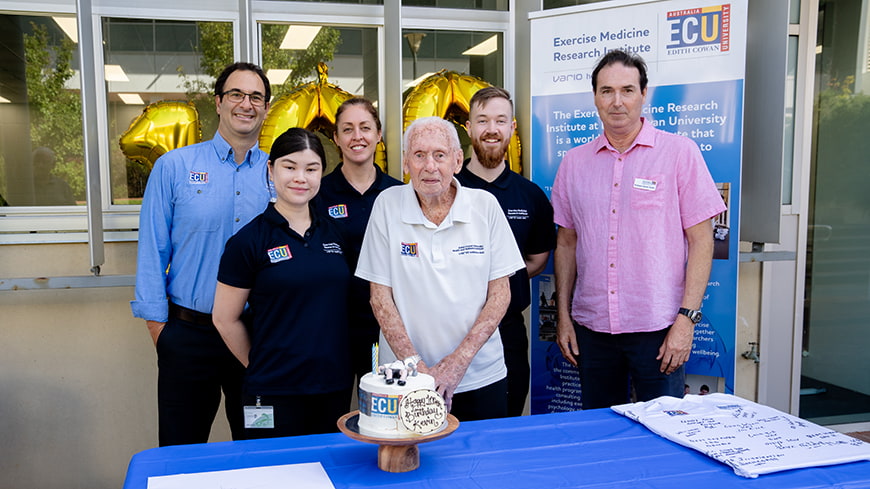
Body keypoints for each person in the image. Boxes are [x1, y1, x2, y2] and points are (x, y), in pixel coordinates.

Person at [552, 49, 726, 409]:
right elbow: (566, 244)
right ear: (595, 97)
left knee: (665, 436)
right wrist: (564, 319)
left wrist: (686, 322)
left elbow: (701, 241)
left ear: (644, 94)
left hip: (660, 329)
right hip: (592, 329)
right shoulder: (574, 163)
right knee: (600, 434)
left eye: (627, 90)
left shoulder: (679, 153)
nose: (617, 102)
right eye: (607, 91)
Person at [131, 62, 272, 446]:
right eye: (236, 95)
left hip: (256, 338)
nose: (246, 104)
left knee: (259, 446)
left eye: (256, 96)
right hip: (189, 337)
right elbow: (153, 249)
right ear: (219, 103)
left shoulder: (277, 174)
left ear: (266, 107)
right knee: (181, 449)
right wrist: (161, 331)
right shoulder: (174, 167)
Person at [356, 116, 525, 421]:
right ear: (406, 162)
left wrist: (456, 363)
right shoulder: (387, 205)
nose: (429, 166)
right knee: (408, 466)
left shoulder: (485, 206)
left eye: (440, 155)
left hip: (479, 376)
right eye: (419, 155)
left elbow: (500, 295)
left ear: (457, 161)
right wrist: (418, 370)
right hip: (403, 380)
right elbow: (379, 299)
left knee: (481, 465)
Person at [213, 128, 352, 439]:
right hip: (273, 391)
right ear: (271, 170)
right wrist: (261, 364)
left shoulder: (335, 234)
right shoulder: (248, 241)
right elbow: (224, 318)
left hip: (333, 387)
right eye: (290, 167)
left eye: (311, 168)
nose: (300, 177)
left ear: (321, 174)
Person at [456, 86, 556, 417]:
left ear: (512, 128)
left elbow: (537, 259)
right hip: (449, 333)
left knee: (505, 424)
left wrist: (494, 279)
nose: (491, 129)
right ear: (468, 128)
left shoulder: (530, 196)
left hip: (508, 333)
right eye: (482, 120)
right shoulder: (447, 188)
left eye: (500, 120)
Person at [316, 97, 401, 383]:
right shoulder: (317, 194)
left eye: (365, 127)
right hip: (332, 325)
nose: (357, 137)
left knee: (386, 413)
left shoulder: (400, 194)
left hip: (386, 326)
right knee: (332, 412)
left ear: (378, 135)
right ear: (336, 138)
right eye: (348, 129)